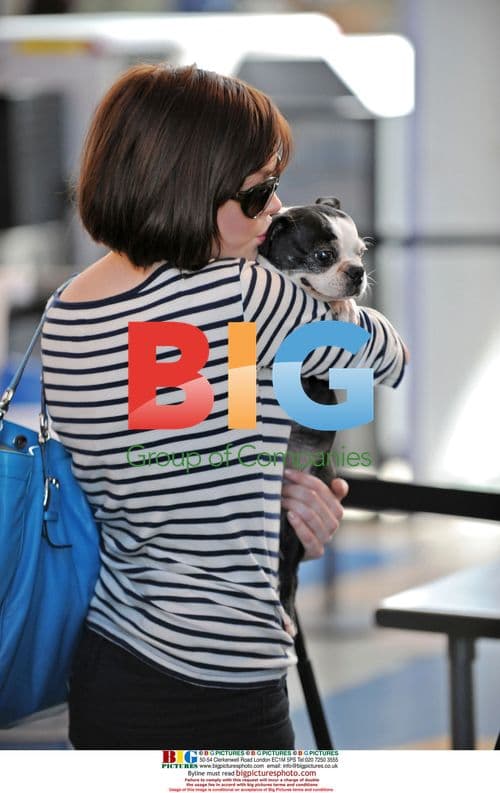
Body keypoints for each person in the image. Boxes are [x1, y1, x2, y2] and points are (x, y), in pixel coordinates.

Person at [40, 63, 407, 750]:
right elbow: (388, 356)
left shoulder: (63, 313)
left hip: (109, 662)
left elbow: (169, 457)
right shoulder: (240, 292)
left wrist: (268, 482)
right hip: (222, 672)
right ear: (190, 185)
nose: (275, 210)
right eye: (258, 192)